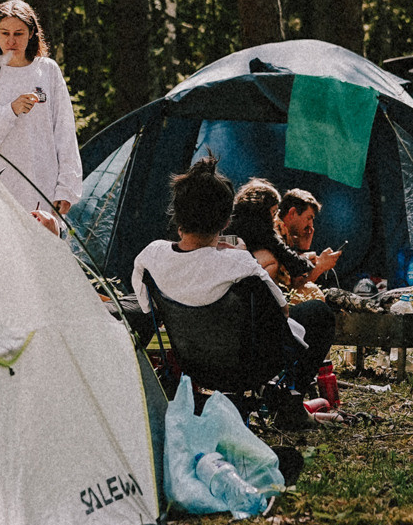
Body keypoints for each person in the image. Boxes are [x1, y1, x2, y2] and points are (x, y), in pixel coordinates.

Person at [134, 158, 331, 409]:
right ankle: (290, 404)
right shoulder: (240, 264)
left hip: (192, 364)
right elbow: (281, 311)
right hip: (247, 370)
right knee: (319, 313)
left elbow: (148, 308)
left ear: (177, 214)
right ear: (227, 221)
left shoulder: (150, 257)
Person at [0, 0, 82, 224]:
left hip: (45, 187)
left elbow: (65, 132)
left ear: (32, 33)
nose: (11, 41)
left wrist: (66, 188)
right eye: (4, 33)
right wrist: (9, 112)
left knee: (44, 256)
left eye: (19, 33)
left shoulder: (47, 71)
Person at [232, 179, 342, 290]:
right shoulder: (268, 229)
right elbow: (292, 284)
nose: (311, 225)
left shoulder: (268, 228)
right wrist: (319, 265)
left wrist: (304, 250)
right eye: (308, 218)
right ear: (293, 212)